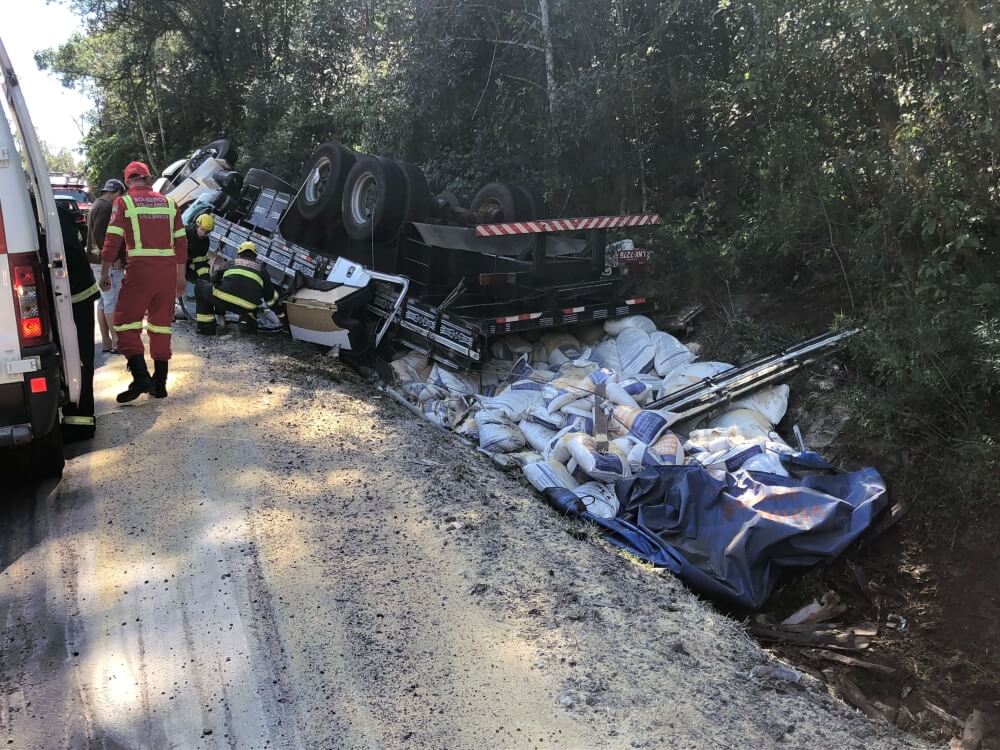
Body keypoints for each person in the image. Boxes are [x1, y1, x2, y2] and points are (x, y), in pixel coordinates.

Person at [100, 161, 187, 403]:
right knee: (161, 326)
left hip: (140, 272)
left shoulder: (124, 202)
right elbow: (181, 243)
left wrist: (105, 273)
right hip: (167, 273)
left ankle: (140, 377)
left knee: (125, 323)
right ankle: (159, 384)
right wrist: (181, 276)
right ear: (148, 179)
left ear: (127, 182)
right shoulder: (170, 203)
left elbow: (111, 242)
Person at [57, 201, 101, 441]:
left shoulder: (44, 211)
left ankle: (82, 422)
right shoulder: (52, 209)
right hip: (73, 294)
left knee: (80, 358)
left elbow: (65, 252)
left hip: (74, 295)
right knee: (78, 358)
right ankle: (77, 418)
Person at [194, 241, 278, 335]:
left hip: (224, 301)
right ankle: (249, 327)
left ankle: (206, 328)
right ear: (255, 257)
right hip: (247, 307)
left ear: (238, 254)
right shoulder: (262, 270)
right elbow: (270, 298)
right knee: (252, 301)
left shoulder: (231, 263)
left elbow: (214, 280)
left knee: (200, 288)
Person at [87, 178, 126, 353]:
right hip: (106, 264)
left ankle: (106, 342)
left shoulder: (97, 204)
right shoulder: (107, 207)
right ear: (117, 192)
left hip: (96, 261)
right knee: (112, 301)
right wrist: (113, 257)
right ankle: (117, 342)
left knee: (103, 301)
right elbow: (100, 235)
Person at [185, 212, 214, 283]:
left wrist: (205, 277)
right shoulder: (184, 232)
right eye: (202, 229)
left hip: (185, 266)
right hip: (170, 262)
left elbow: (200, 261)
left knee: (198, 281)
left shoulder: (205, 243)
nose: (204, 234)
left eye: (207, 232)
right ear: (197, 226)